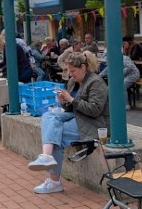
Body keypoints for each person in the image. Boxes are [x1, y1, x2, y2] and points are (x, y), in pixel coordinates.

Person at [28, 51, 109, 194]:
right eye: (69, 71)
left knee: (56, 135)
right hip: (76, 117)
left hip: (93, 123)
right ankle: (46, 157)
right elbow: (70, 108)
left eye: (73, 71)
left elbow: (95, 110)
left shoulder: (96, 82)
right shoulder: (73, 82)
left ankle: (54, 181)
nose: (71, 75)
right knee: (48, 116)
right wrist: (64, 102)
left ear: (83, 67)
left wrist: (71, 99)